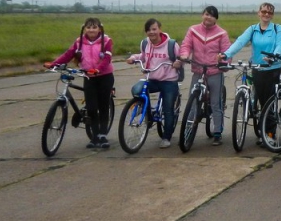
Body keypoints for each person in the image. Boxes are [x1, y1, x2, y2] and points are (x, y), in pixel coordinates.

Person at [45, 17, 115, 149]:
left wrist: (98, 69)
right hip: (88, 77)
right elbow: (68, 54)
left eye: (94, 27)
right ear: (84, 29)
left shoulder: (106, 41)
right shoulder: (79, 42)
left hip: (105, 76)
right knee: (91, 108)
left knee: (103, 106)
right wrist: (54, 64)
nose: (91, 30)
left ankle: (102, 135)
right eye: (88, 27)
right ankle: (94, 136)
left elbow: (107, 58)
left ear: (99, 29)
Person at [221, 3, 281, 146]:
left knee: (268, 103)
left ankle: (270, 134)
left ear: (272, 15)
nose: (266, 14)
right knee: (260, 100)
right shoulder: (253, 29)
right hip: (257, 68)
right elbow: (240, 42)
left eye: (269, 12)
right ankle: (261, 128)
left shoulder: (277, 29)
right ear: (259, 13)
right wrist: (226, 55)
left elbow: (280, 45)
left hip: (272, 69)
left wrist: (274, 56)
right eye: (264, 11)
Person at [126, 18, 184, 148]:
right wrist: (133, 58)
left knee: (168, 110)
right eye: (148, 30)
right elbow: (142, 56)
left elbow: (181, 58)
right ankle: (144, 108)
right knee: (136, 89)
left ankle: (166, 137)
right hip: (152, 79)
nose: (151, 32)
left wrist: (178, 63)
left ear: (160, 29)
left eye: (154, 29)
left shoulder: (171, 45)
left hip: (169, 80)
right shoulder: (145, 43)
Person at [179, 6, 231, 145]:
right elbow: (186, 45)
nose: (209, 17)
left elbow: (227, 52)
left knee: (215, 102)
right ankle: (188, 129)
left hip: (214, 71)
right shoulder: (193, 30)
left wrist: (223, 61)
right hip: (198, 70)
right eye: (207, 14)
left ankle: (217, 132)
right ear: (202, 15)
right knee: (192, 101)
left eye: (212, 15)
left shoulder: (221, 34)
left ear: (216, 19)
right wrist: (184, 55)